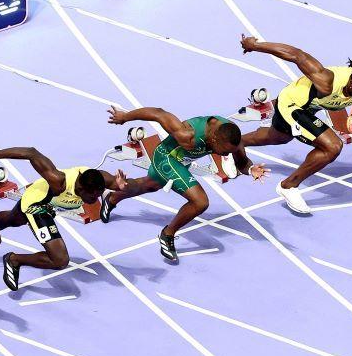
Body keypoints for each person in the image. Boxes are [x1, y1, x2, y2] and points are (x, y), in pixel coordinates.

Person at [238, 35, 352, 214]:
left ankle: (236, 142)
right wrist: (255, 45)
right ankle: (288, 186)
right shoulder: (327, 81)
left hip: (308, 108)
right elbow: (297, 55)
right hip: (293, 104)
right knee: (333, 146)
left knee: (279, 137)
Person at [102, 107, 266, 260]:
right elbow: (159, 114)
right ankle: (168, 234)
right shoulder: (188, 134)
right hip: (167, 157)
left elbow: (242, 162)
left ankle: (112, 198)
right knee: (200, 201)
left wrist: (251, 169)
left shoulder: (230, 137)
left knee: (149, 185)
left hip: (183, 160)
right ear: (214, 138)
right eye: (224, 151)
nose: (227, 155)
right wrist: (125, 117)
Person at [0, 146, 126, 290]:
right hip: (37, 205)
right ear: (81, 188)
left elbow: (124, 184)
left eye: (99, 194)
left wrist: (120, 185)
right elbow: (31, 153)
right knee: (60, 260)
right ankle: (14, 260)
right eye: (93, 196)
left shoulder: (99, 180)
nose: (96, 199)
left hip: (45, 202)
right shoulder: (59, 181)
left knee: (12, 219)